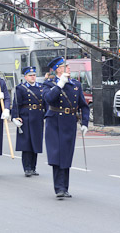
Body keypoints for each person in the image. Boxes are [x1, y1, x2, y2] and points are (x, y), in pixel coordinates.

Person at [42, 56, 89, 199]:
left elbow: (83, 106)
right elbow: (49, 99)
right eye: (66, 66)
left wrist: (85, 123)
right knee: (57, 155)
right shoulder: (49, 84)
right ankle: (59, 188)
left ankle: (65, 188)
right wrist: (59, 85)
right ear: (58, 69)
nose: (69, 68)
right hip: (55, 122)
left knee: (66, 156)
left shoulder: (75, 84)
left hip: (69, 122)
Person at [11, 66, 45, 177]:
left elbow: (45, 103)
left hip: (38, 117)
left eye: (34, 75)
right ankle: (27, 168)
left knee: (35, 144)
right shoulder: (21, 88)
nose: (32, 77)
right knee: (26, 144)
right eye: (30, 75)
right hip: (26, 117)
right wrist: (15, 117)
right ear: (25, 77)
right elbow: (16, 104)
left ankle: (33, 168)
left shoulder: (41, 87)